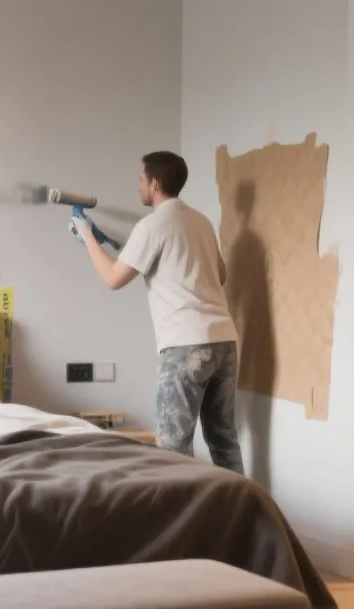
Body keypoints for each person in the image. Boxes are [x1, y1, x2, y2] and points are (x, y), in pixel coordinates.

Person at [72, 152, 242, 474]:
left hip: (185, 346)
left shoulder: (152, 225)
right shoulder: (201, 222)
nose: (138, 186)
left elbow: (112, 279)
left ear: (154, 182)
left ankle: (181, 520)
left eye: (140, 179)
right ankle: (241, 516)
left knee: (173, 448)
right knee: (223, 439)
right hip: (224, 342)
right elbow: (219, 275)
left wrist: (84, 234)